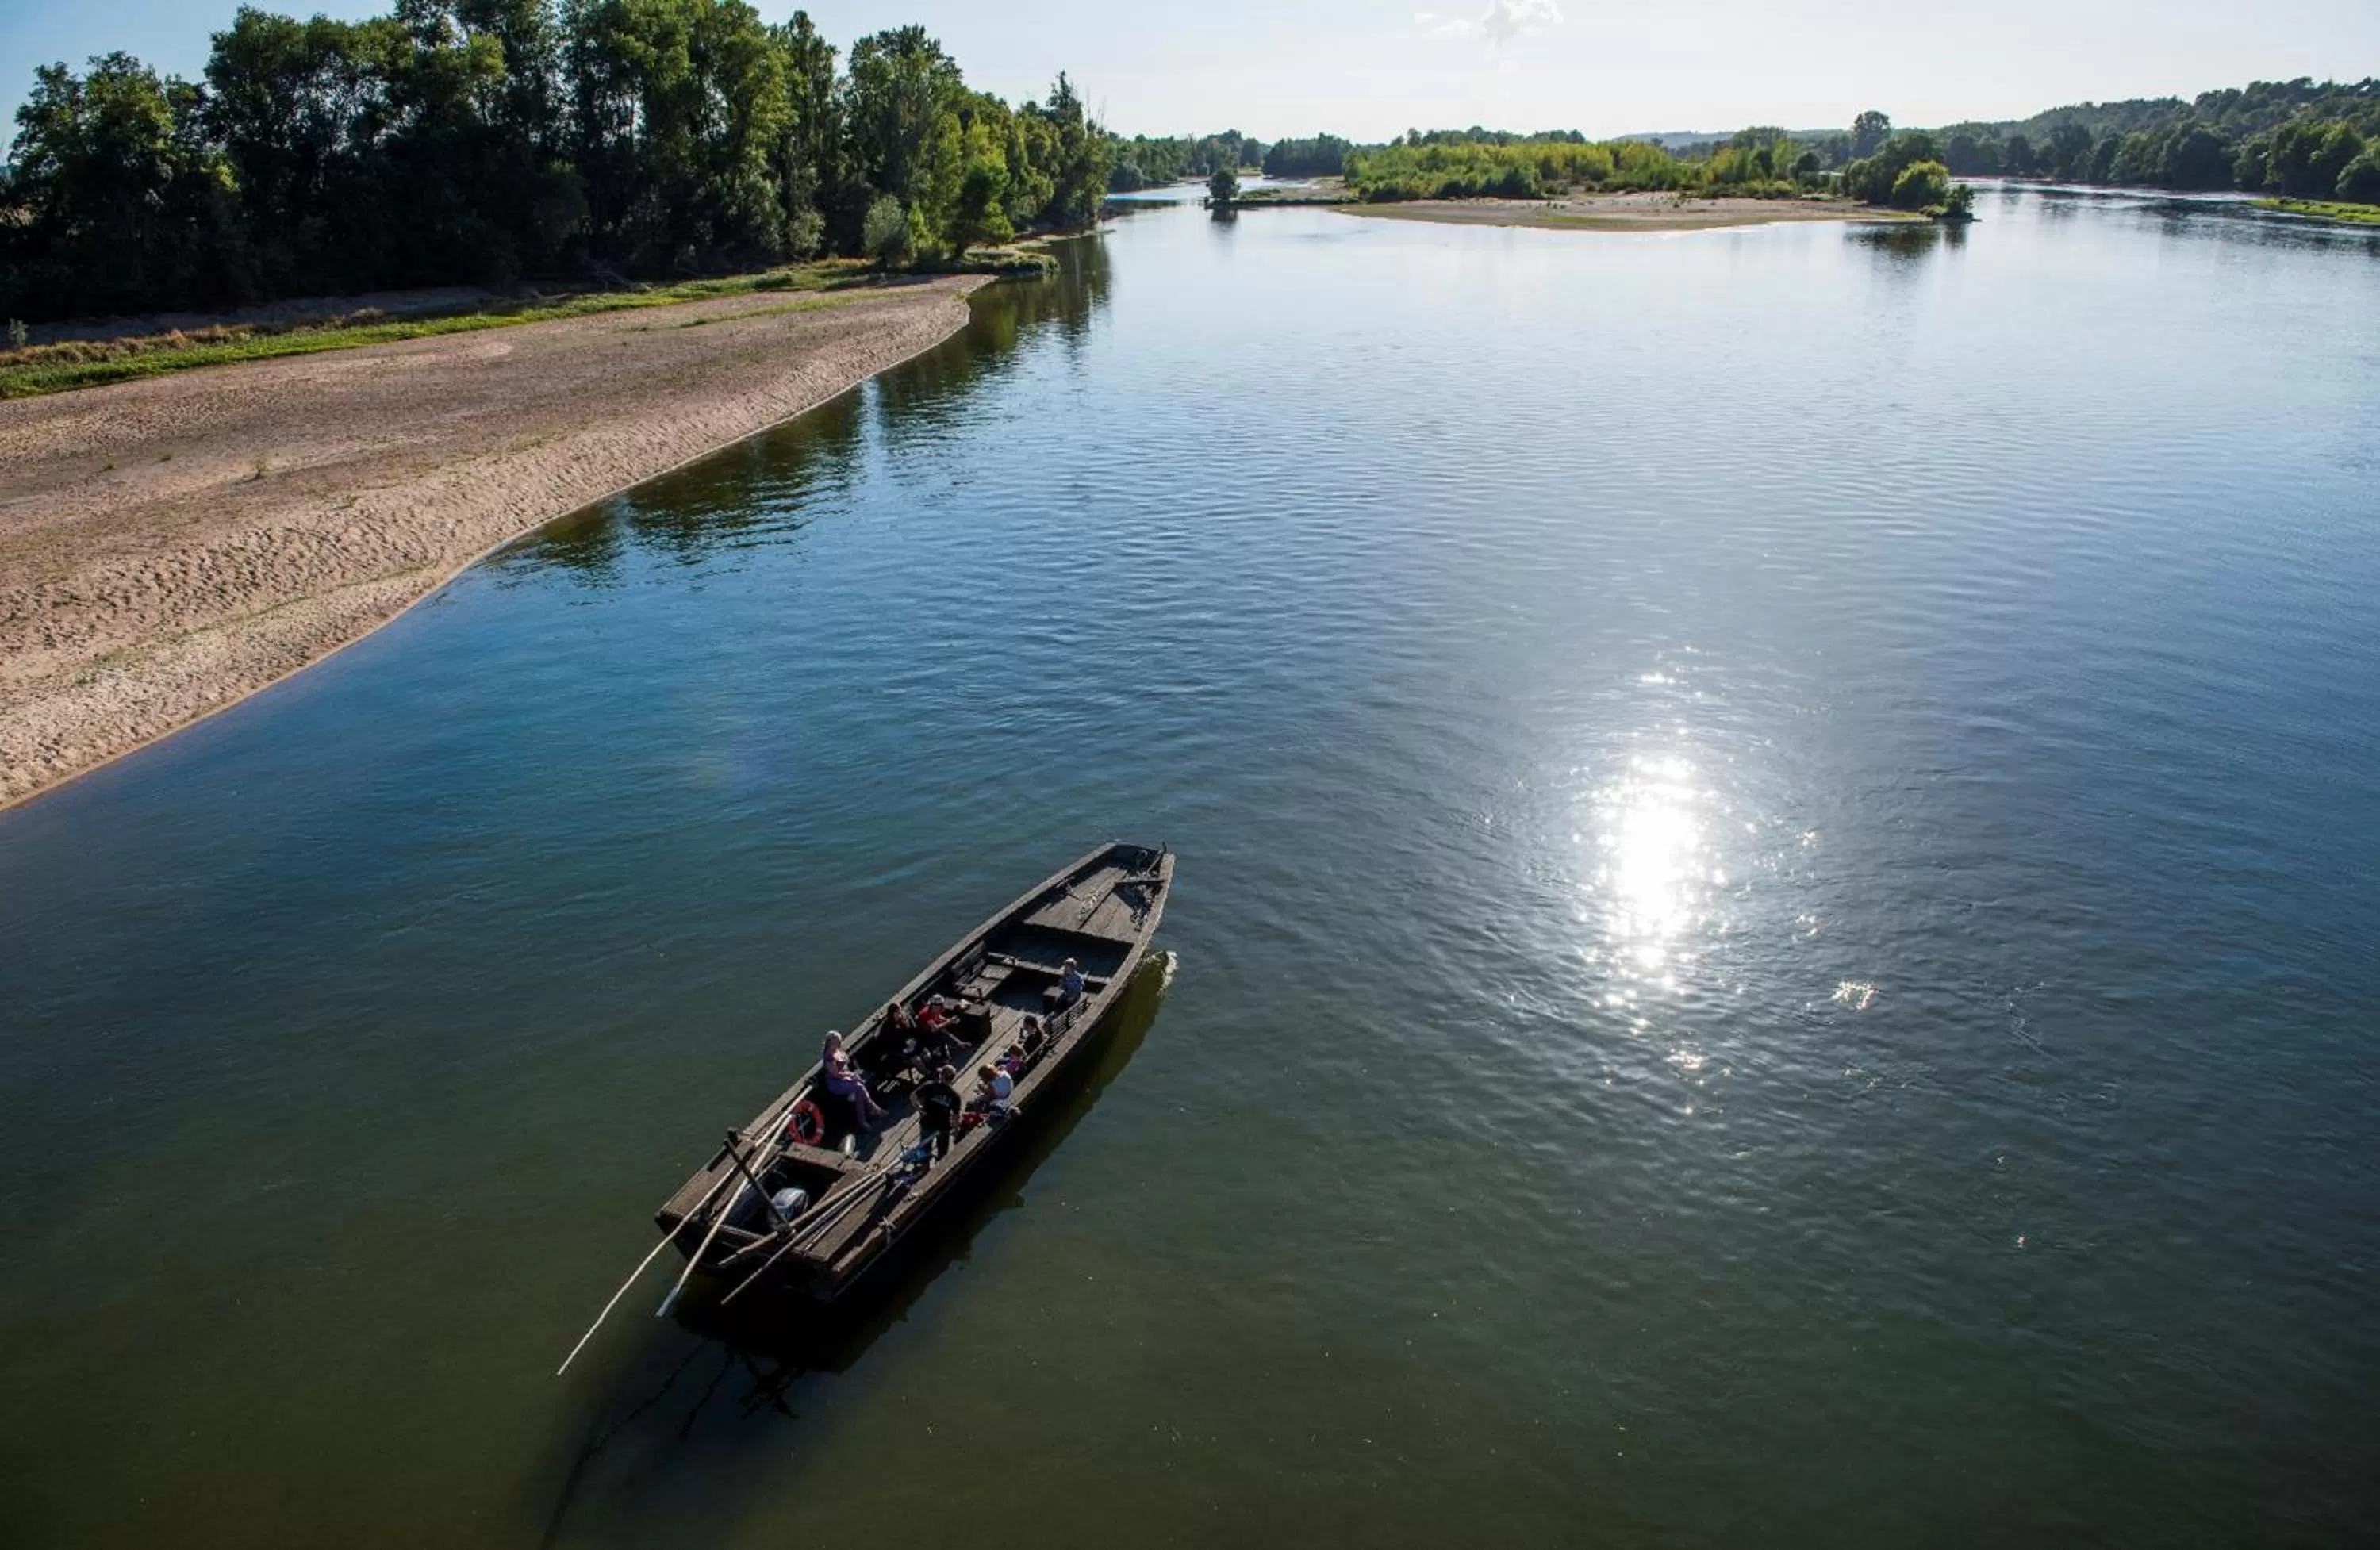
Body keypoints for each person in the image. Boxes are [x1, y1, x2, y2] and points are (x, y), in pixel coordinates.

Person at [820, 1030, 885, 1129]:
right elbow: (836, 1074)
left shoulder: (839, 1050)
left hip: (846, 1078)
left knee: (859, 1090)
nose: (840, 1042)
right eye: (837, 1040)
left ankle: (863, 1120)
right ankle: (873, 1108)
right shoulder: (829, 1056)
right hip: (836, 1083)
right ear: (831, 1041)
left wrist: (851, 1075)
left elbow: (847, 1062)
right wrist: (851, 1075)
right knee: (859, 1087)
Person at [915, 1063, 962, 1161]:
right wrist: (956, 1132)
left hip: (927, 1122)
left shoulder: (929, 1086)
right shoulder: (955, 1096)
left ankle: (923, 1166)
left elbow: (913, 1096)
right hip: (943, 1126)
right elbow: (955, 1117)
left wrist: (919, 1108)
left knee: (924, 1149)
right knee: (943, 1153)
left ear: (941, 1075)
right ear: (952, 1079)